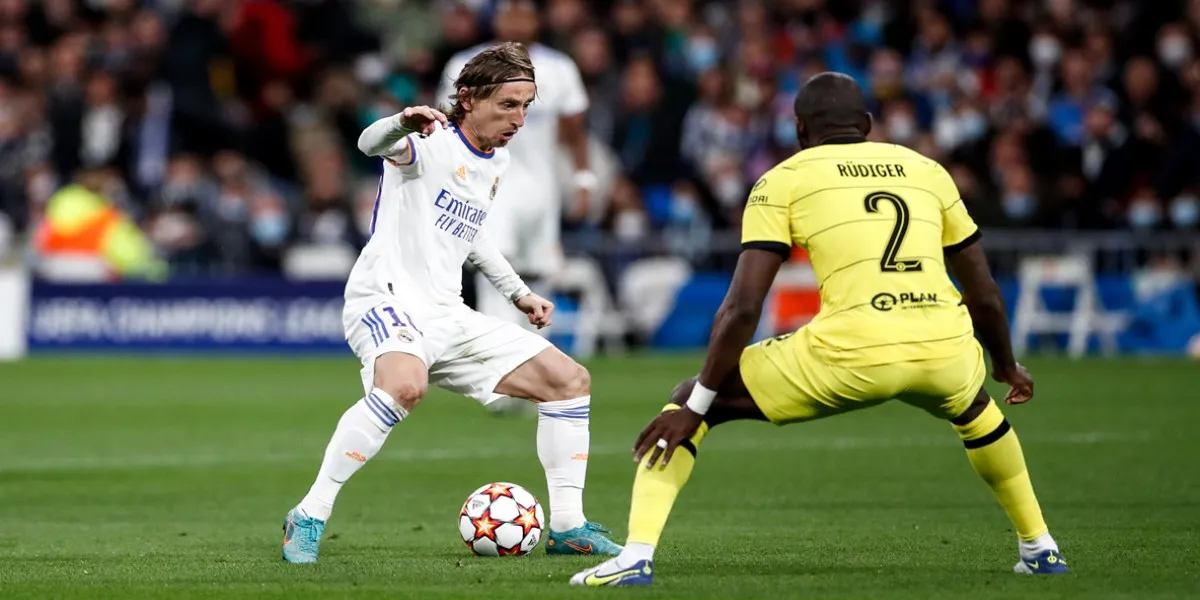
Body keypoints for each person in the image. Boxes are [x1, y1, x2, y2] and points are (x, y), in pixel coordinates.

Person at [570, 72, 1068, 587]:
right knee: (976, 409)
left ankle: (635, 556)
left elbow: (743, 306)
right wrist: (1006, 366)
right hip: (944, 345)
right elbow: (983, 291)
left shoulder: (782, 180)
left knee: (690, 400)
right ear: (867, 125)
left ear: (800, 130)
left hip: (854, 353)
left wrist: (698, 403)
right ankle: (1040, 546)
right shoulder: (927, 171)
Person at [280, 42, 621, 564]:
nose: (519, 119)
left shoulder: (496, 161)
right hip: (386, 298)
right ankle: (308, 514)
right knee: (404, 387)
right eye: (508, 105)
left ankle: (569, 527)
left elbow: (473, 234)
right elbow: (369, 143)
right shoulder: (428, 141)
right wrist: (401, 121)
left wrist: (519, 293)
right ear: (468, 98)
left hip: (447, 313)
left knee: (568, 381)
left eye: (526, 106)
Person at [437, 0, 593, 416]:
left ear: (536, 20)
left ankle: (542, 375)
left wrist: (583, 180)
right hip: (491, 183)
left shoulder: (559, 68)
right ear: (497, 19)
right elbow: (448, 125)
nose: (517, 22)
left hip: (542, 188)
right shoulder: (465, 64)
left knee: (541, 274)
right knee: (495, 272)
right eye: (509, 13)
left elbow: (575, 130)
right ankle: (500, 377)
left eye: (525, 13)